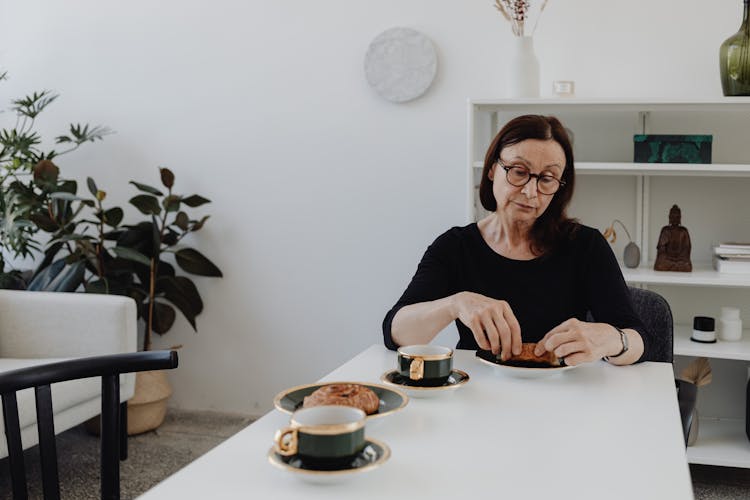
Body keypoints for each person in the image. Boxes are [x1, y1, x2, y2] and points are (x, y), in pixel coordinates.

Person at [382, 115, 657, 366]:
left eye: (547, 178)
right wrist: (456, 303)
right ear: (492, 170)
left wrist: (612, 339)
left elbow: (639, 340)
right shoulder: (455, 246)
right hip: (477, 392)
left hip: (564, 395)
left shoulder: (585, 246)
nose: (530, 191)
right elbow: (396, 333)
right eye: (518, 171)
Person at [654, 204, 692, 272]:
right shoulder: (665, 230)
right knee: (660, 263)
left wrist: (678, 259)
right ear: (669, 217)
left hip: (680, 259)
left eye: (677, 217)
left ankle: (675, 265)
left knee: (687, 265)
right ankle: (675, 265)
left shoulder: (683, 231)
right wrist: (668, 258)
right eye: (673, 217)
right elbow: (661, 250)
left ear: (680, 218)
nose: (675, 219)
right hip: (667, 259)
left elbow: (687, 250)